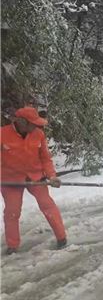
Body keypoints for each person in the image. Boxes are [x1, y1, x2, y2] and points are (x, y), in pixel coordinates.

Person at [1, 107, 67, 254]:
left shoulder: (39, 134)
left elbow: (45, 158)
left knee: (48, 205)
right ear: (21, 122)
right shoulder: (2, 134)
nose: (36, 126)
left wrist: (52, 176)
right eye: (33, 123)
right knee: (12, 212)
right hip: (10, 180)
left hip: (36, 177)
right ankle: (12, 246)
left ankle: (62, 237)